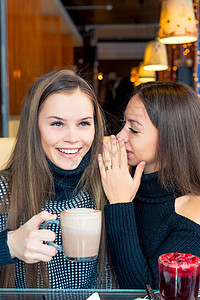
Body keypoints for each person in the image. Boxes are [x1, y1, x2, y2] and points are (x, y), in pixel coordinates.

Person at [0, 69, 115, 288]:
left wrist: (122, 205)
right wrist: (10, 245)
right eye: (57, 124)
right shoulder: (4, 191)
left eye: (83, 123)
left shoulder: (109, 185)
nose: (73, 138)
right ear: (34, 127)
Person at [98, 81, 200, 289]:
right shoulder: (122, 179)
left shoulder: (191, 216)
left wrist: (119, 203)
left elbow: (144, 291)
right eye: (123, 124)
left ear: (171, 137)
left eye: (134, 130)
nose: (120, 136)